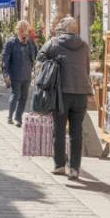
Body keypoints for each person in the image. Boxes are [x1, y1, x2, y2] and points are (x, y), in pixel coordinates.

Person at [37, 16, 93, 181]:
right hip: (81, 93)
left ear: (61, 29)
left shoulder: (53, 43)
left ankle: (60, 165)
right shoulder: (84, 46)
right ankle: (75, 168)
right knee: (77, 132)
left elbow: (39, 59)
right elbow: (87, 69)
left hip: (61, 93)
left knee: (59, 130)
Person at [3, 20, 38, 127]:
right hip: (15, 74)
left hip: (27, 74)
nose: (23, 32)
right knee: (15, 95)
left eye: (25, 30)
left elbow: (36, 55)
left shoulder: (30, 43)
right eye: (21, 30)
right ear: (17, 30)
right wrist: (6, 74)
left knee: (24, 97)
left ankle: (18, 118)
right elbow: (5, 59)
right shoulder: (11, 42)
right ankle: (10, 116)